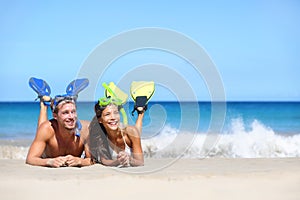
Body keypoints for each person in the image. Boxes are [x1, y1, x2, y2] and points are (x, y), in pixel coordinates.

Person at [26, 95, 93, 167]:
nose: (71, 117)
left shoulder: (86, 129)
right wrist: (49, 161)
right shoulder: (47, 129)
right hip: (47, 150)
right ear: (55, 116)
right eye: (65, 113)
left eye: (73, 112)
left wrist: (80, 161)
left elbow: (92, 160)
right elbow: (30, 159)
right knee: (42, 128)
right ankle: (44, 106)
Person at [89, 97, 144, 167]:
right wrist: (117, 161)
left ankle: (141, 113)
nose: (113, 117)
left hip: (130, 132)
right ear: (100, 120)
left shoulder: (131, 132)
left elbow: (140, 162)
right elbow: (104, 161)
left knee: (137, 131)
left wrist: (129, 159)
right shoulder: (101, 135)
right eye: (107, 114)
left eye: (116, 113)